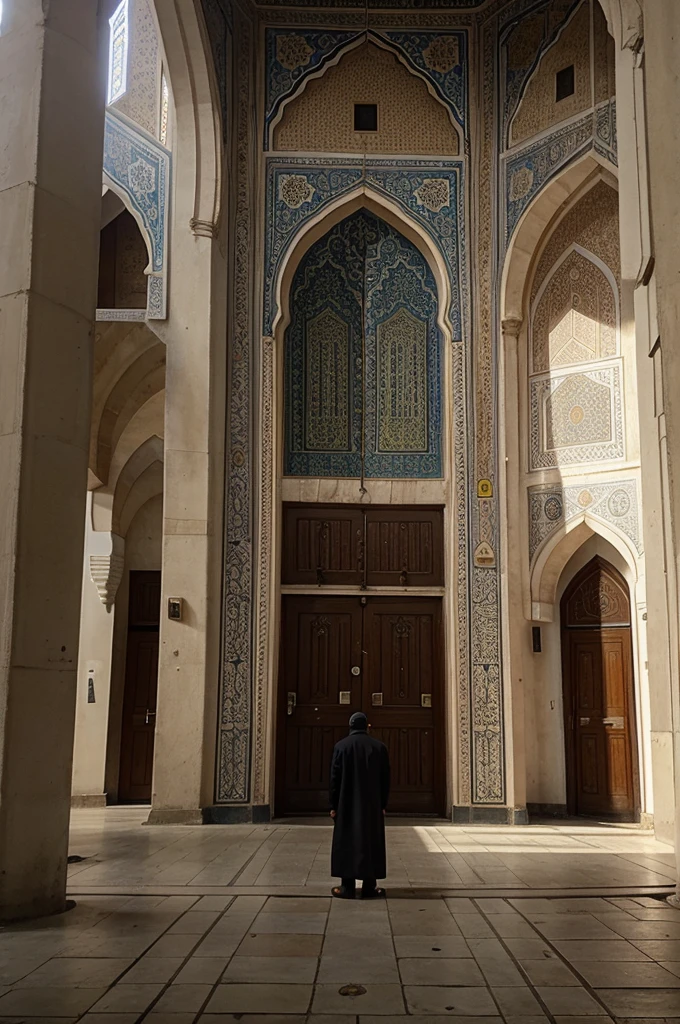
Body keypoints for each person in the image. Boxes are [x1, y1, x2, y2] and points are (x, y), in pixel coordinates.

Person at [329, 710, 390, 899]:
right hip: (372, 805)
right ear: (367, 727)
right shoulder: (379, 748)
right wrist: (383, 803)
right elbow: (385, 779)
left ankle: (346, 887)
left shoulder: (341, 747)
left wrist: (333, 805)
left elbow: (334, 779)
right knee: (370, 841)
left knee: (347, 840)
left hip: (346, 805)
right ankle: (369, 887)